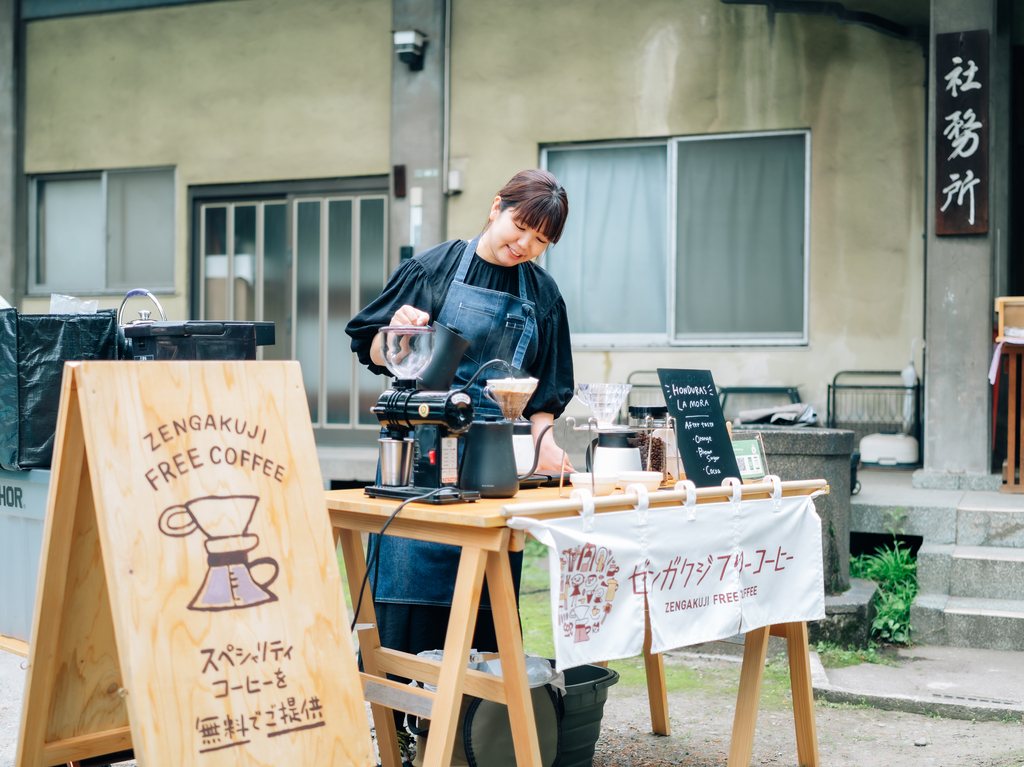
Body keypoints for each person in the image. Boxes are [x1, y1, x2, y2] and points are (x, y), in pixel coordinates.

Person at [344, 168, 574, 667]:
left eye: (540, 241)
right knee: (410, 582)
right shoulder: (434, 268)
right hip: (419, 448)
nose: (525, 246)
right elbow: (375, 349)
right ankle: (404, 715)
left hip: (495, 456)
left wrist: (545, 443)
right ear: (496, 208)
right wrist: (397, 333)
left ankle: (473, 722)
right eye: (521, 228)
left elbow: (545, 390)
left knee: (486, 589)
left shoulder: (544, 294)